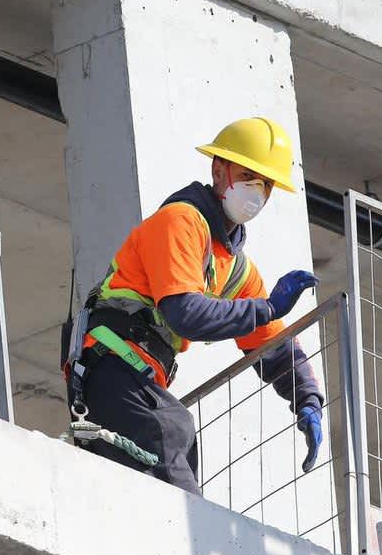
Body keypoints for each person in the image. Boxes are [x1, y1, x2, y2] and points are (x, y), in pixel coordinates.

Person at [63, 116, 324, 495]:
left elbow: (272, 347)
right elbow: (184, 313)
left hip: (139, 376)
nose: (257, 190)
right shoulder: (181, 221)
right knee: (172, 437)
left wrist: (307, 399)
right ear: (219, 170)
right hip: (111, 367)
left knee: (176, 445)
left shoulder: (233, 267)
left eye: (266, 184)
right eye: (248, 175)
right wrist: (266, 308)